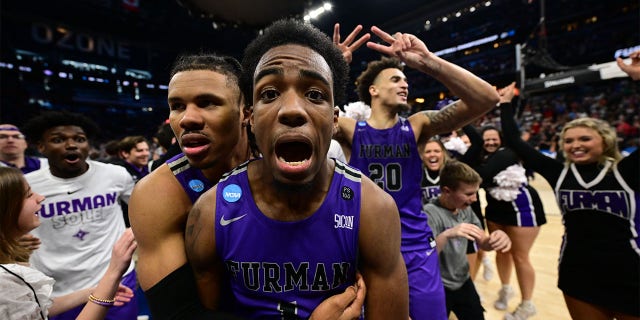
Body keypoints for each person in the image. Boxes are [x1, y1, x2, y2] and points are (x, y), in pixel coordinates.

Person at [185, 18, 409, 318]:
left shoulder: (373, 208)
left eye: (315, 94)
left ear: (333, 121)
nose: (292, 110)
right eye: (269, 93)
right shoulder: (210, 212)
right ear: (250, 117)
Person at [129, 52, 367, 319]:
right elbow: (178, 315)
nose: (187, 119)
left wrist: (316, 74)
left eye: (207, 103)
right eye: (177, 106)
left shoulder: (288, 158)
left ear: (246, 113)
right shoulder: (157, 194)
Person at [333, 24, 500, 319]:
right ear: (373, 90)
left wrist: (429, 63)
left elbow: (486, 99)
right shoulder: (348, 128)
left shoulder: (417, 125)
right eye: (395, 79)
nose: (404, 84)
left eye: (406, 79)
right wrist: (331, 68)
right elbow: (308, 114)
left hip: (414, 243)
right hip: (363, 245)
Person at [498, 82, 639, 320]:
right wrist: (505, 104)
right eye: (569, 141)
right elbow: (515, 142)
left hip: (630, 271)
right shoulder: (560, 173)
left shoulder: (625, 171)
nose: (576, 145)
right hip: (577, 271)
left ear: (605, 141)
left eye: (585, 139)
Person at [21, 111, 138, 320]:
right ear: (41, 147)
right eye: (58, 139)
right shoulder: (27, 185)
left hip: (116, 280)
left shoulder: (115, 175)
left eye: (79, 139)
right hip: (58, 290)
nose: (71, 145)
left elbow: (143, 209)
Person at [0, 166, 137, 319]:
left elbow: (34, 309)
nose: (40, 198)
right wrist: (114, 271)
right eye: (28, 194)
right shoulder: (5, 279)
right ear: (7, 209)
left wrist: (91, 292)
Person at [461, 119, 546, 319]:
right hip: (495, 209)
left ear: (501, 140)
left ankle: (527, 304)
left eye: (494, 139)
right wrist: (463, 120)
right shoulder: (482, 156)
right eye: (486, 139)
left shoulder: (508, 154)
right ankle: (506, 289)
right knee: (502, 252)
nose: (490, 142)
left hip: (521, 208)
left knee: (520, 256)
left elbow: (481, 175)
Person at [424, 160, 511, 320]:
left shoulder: (465, 209)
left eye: (475, 193)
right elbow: (426, 255)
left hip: (463, 281)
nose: (475, 199)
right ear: (447, 191)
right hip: (438, 285)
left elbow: (482, 242)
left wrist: (497, 239)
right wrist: (447, 234)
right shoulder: (430, 213)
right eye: (469, 194)